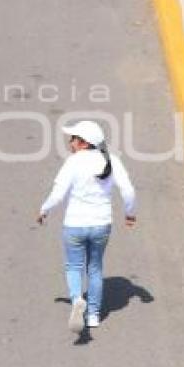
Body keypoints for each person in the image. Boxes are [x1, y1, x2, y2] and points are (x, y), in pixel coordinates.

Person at [36, 121, 137, 333]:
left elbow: (58, 195)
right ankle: (92, 315)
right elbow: (128, 191)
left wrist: (44, 210)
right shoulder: (112, 161)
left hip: (75, 224)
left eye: (72, 138)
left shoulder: (73, 163)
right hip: (101, 224)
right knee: (95, 268)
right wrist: (129, 214)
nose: (70, 141)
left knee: (73, 267)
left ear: (83, 143)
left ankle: (76, 300)